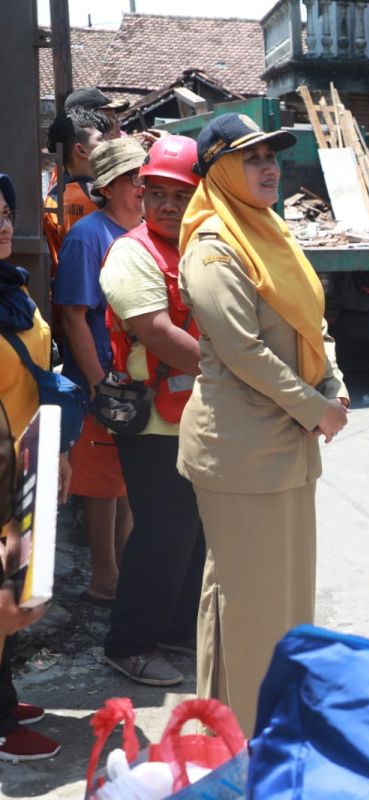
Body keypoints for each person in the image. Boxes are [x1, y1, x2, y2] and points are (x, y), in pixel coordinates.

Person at [177, 113, 349, 734]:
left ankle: (251, 720)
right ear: (221, 169)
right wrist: (316, 406)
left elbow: (312, 323)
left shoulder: (270, 231)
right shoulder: (213, 246)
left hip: (286, 444)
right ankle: (248, 736)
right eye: (252, 158)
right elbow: (244, 350)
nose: (269, 166)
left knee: (280, 599)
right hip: (241, 451)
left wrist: (334, 383)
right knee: (250, 605)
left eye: (273, 155)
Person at [98, 136, 205, 688]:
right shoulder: (132, 253)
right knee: (162, 532)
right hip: (152, 420)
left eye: (180, 195)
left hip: (194, 415)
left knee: (193, 534)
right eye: (157, 193)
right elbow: (156, 334)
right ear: (139, 195)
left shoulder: (198, 247)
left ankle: (176, 628)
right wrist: (242, 373)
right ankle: (129, 644)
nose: (168, 205)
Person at [54, 138, 144, 606]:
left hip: (136, 382)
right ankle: (104, 580)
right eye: (133, 178)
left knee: (126, 484)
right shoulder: (89, 235)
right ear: (106, 187)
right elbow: (73, 315)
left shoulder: (142, 230)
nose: (142, 185)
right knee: (103, 487)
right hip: (104, 383)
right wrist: (99, 383)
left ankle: (123, 573)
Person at [0, 173, 64, 762]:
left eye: (1, 214)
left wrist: (53, 457)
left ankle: (4, 694)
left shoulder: (12, 290)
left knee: (20, 592)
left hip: (28, 458)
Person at [43, 107, 115, 270]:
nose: (108, 144)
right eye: (100, 140)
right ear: (81, 150)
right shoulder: (103, 196)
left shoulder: (52, 199)